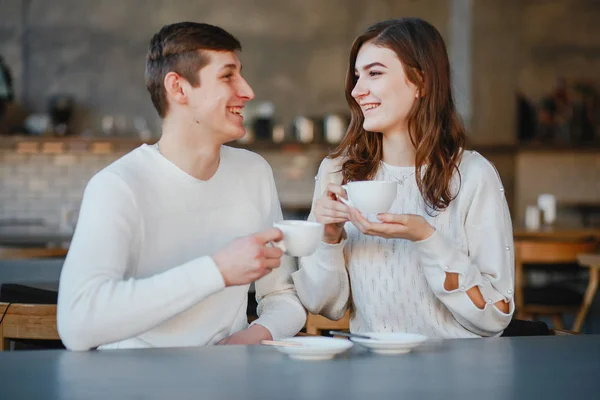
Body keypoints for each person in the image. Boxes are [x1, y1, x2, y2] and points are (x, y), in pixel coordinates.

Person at [57, 22, 306, 351]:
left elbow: (282, 297)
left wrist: (249, 338)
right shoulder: (117, 186)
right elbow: (77, 324)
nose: (247, 91)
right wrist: (217, 270)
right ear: (178, 88)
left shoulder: (254, 172)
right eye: (228, 76)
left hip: (229, 381)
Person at [292, 18, 514, 338]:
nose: (357, 91)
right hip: (372, 377)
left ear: (420, 83)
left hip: (456, 376)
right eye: (357, 76)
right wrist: (329, 238)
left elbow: (496, 315)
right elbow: (322, 305)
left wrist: (426, 238)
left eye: (375, 73)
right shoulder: (339, 172)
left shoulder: (472, 175)